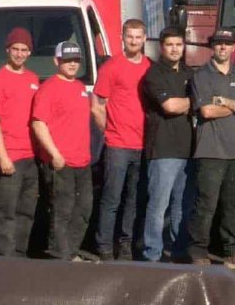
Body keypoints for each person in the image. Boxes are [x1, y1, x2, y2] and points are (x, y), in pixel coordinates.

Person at [187, 29, 235, 269]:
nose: (222, 48)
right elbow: (207, 111)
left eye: (227, 44)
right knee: (206, 203)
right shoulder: (201, 75)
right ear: (213, 47)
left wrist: (226, 102)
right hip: (210, 149)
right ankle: (199, 251)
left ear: (233, 48)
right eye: (218, 44)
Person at [93, 19, 152, 261]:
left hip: (142, 145)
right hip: (117, 145)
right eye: (130, 37)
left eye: (138, 37)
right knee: (111, 199)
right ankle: (104, 246)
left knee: (133, 200)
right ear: (123, 38)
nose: (134, 41)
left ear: (145, 39)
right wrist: (108, 131)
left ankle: (125, 244)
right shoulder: (112, 67)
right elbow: (96, 105)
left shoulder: (150, 67)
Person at [32, 41, 93, 261]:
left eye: (76, 60)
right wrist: (55, 154)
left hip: (82, 162)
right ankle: (61, 257)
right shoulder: (48, 88)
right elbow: (38, 124)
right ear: (56, 61)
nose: (72, 64)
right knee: (62, 211)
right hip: (60, 163)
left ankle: (71, 252)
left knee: (84, 210)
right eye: (67, 60)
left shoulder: (79, 87)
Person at [0, 27, 40, 257]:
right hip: (10, 158)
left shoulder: (33, 79)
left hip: (31, 157)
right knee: (5, 212)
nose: (19, 54)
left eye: (23, 49)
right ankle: (6, 262)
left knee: (26, 212)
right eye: (15, 49)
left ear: (29, 52)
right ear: (8, 50)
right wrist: (3, 156)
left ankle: (20, 255)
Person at [141, 27, 195, 262]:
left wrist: (188, 102)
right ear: (162, 47)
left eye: (179, 45)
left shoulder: (188, 73)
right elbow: (170, 107)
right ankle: (152, 253)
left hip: (188, 148)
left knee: (181, 206)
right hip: (163, 150)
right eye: (170, 45)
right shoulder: (153, 75)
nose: (175, 49)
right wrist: (195, 101)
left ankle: (178, 250)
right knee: (158, 205)